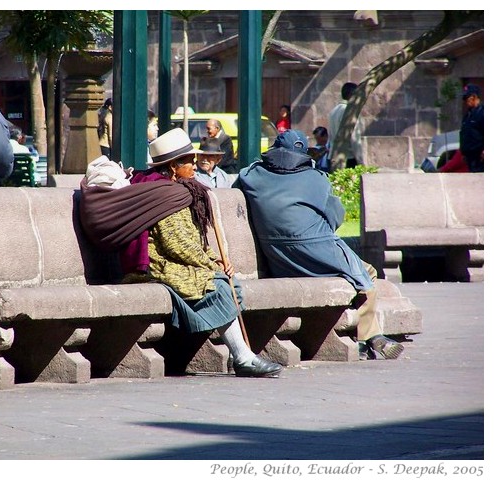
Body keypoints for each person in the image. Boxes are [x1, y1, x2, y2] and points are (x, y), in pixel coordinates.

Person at [79, 128, 283, 377]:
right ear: (174, 166)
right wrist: (212, 265)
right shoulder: (166, 195)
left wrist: (213, 260)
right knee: (215, 284)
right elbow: (178, 245)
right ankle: (242, 357)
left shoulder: (173, 188)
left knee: (225, 283)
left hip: (172, 259)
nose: (195, 167)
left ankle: (237, 353)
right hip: (156, 264)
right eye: (189, 162)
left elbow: (190, 244)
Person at [235, 129, 404, 361]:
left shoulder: (250, 176)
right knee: (367, 274)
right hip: (320, 253)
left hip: (278, 260)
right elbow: (336, 218)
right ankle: (367, 337)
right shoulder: (317, 179)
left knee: (352, 274)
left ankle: (368, 336)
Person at [328, 82, 363, 169]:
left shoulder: (334, 111)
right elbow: (354, 138)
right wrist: (360, 161)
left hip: (334, 156)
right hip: (348, 158)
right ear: (351, 94)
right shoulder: (349, 111)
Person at [459, 84, 484, 172]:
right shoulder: (468, 115)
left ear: (474, 97)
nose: (465, 101)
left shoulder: (482, 112)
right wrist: (463, 152)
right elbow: (464, 133)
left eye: (466, 98)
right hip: (470, 157)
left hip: (480, 157)